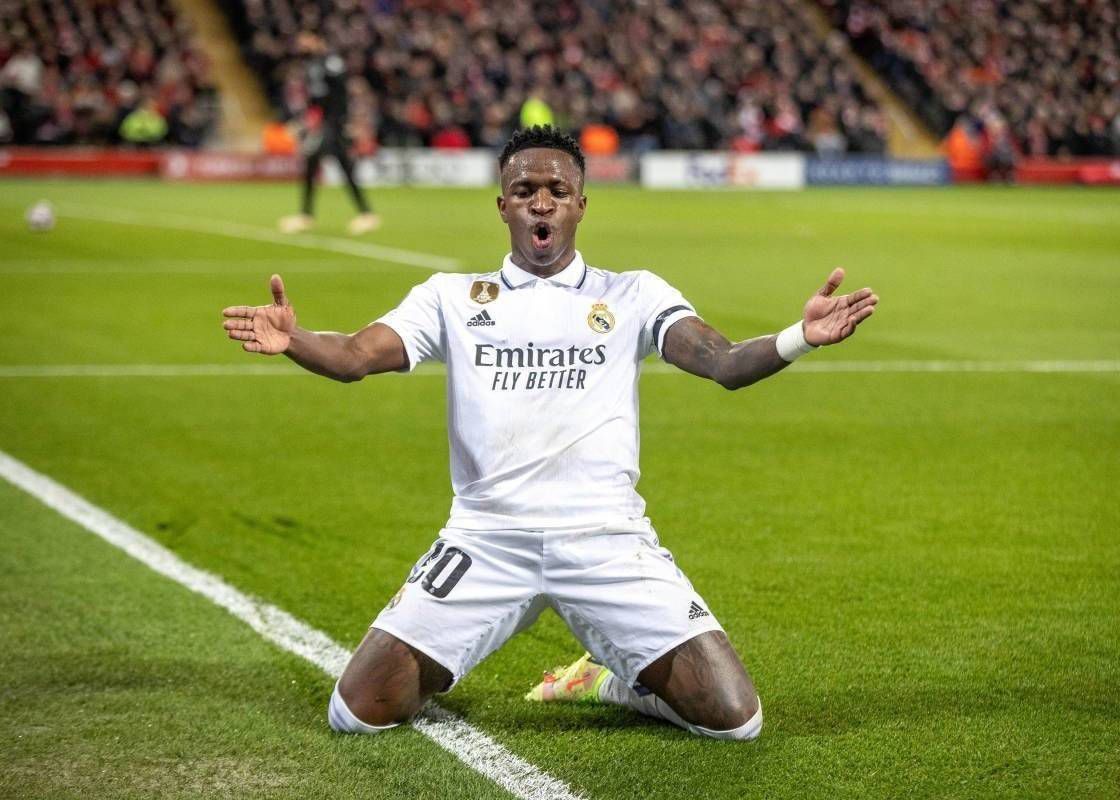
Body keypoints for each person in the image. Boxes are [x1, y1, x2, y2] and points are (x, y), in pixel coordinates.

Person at [222, 125, 878, 741]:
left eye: (557, 192)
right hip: (486, 538)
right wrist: (296, 341)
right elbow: (356, 355)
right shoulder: (451, 297)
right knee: (356, 714)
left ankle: (616, 684)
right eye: (526, 192)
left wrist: (800, 338)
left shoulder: (634, 294)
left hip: (605, 537)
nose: (542, 204)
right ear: (502, 206)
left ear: (581, 205)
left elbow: (723, 362)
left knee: (737, 720)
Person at [279, 33, 379, 236]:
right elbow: (316, 99)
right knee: (320, 164)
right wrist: (305, 121)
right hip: (323, 123)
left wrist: (343, 121)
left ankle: (365, 214)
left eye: (305, 40)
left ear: (317, 39)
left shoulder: (331, 62)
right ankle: (309, 215)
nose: (302, 45)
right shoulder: (312, 65)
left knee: (332, 164)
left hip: (334, 123)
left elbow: (340, 93)